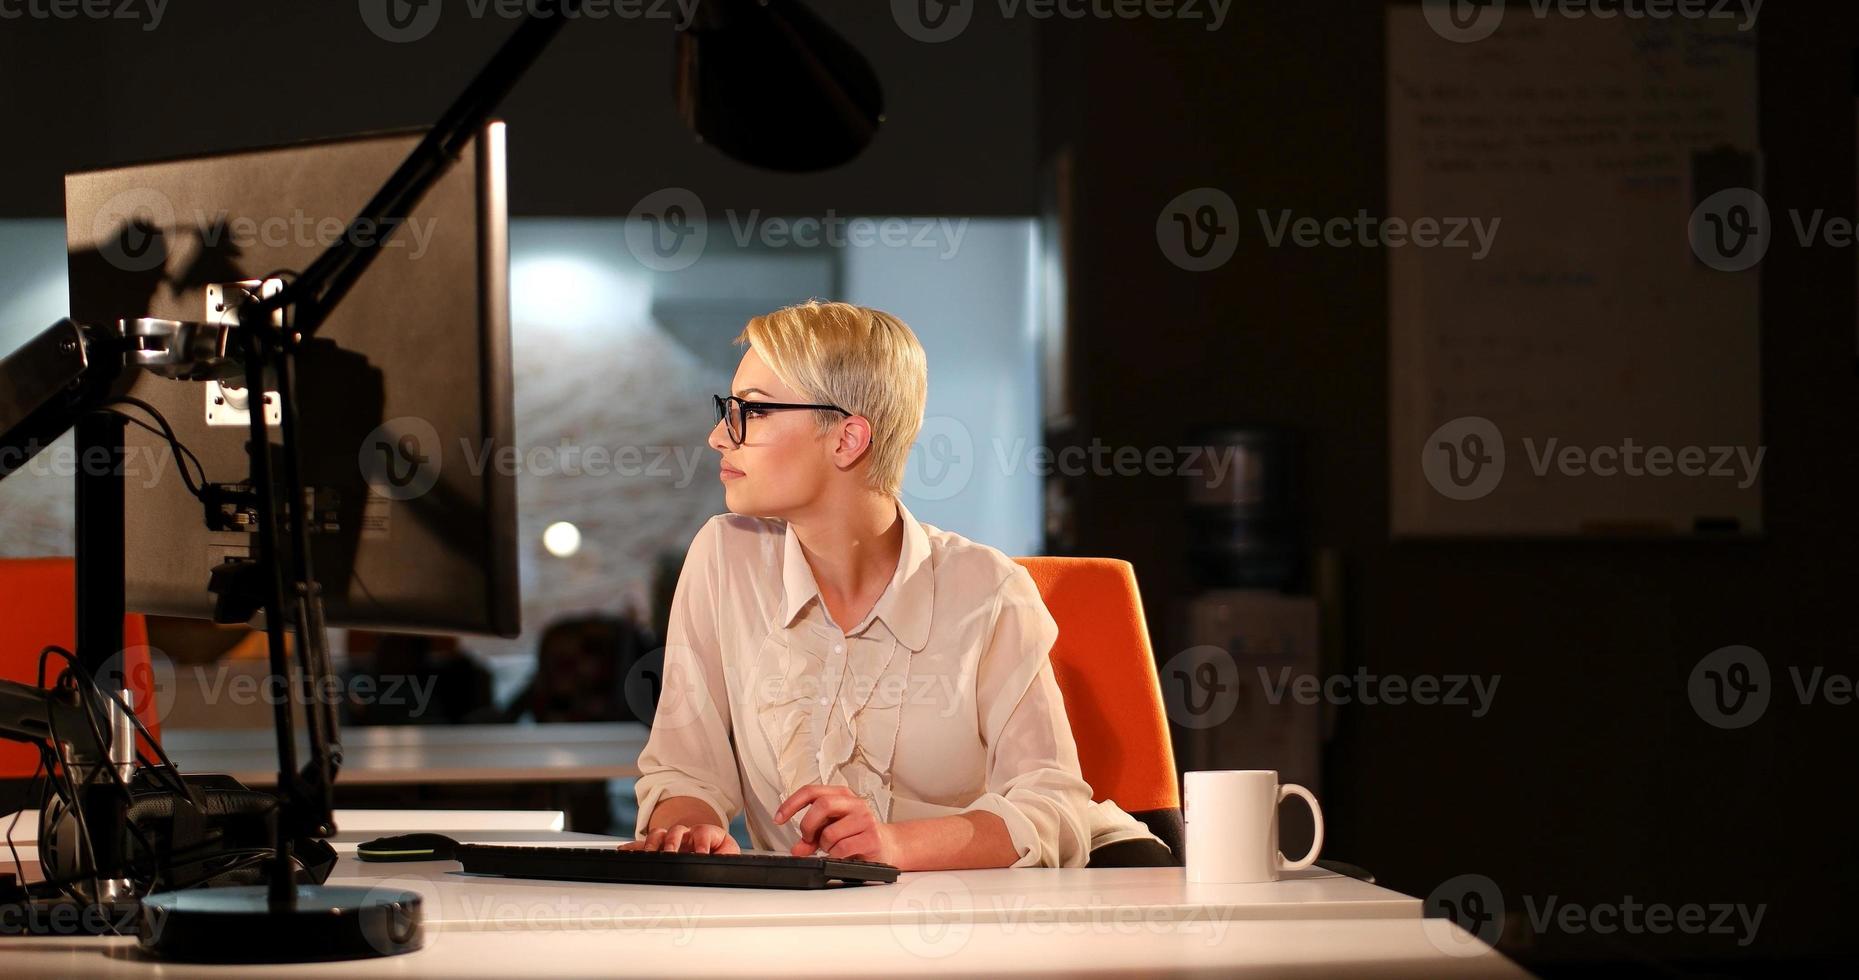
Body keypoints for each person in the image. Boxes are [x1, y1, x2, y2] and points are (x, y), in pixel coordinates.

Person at [625, 301, 1169, 870]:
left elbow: (1051, 807)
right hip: (833, 920)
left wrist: (890, 845)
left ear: (847, 439)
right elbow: (687, 769)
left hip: (1048, 890)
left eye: (753, 412)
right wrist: (689, 830)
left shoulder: (987, 588)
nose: (719, 435)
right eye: (728, 408)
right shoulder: (724, 556)